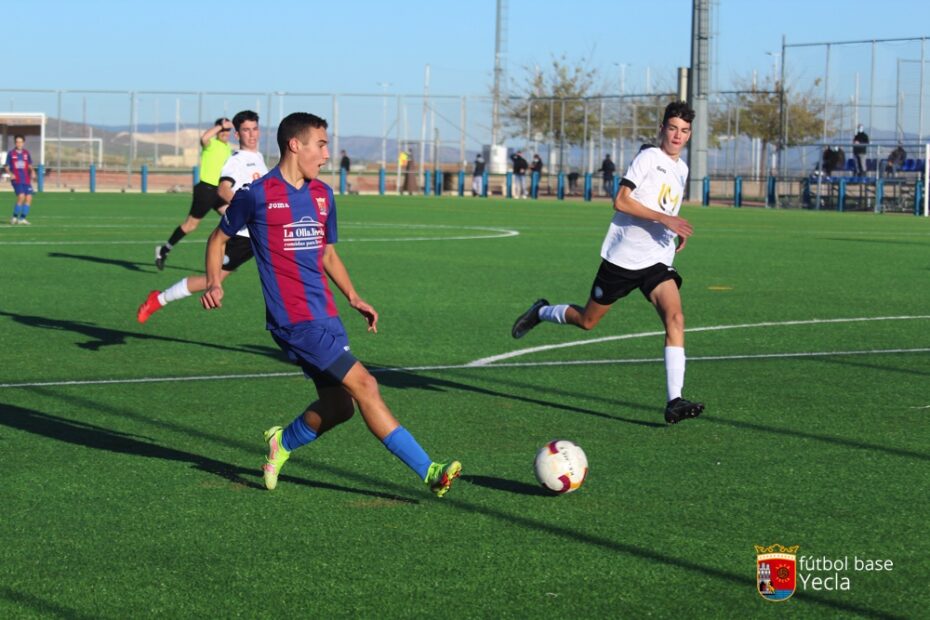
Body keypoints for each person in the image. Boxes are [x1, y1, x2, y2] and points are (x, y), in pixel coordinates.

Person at [200, 112, 461, 496]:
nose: (326, 155)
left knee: (340, 407)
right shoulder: (257, 195)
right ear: (295, 145)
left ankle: (282, 442)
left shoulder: (323, 195)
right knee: (366, 384)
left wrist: (353, 296)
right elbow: (217, 240)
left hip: (327, 316)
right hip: (293, 322)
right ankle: (430, 471)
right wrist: (213, 281)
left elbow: (328, 254)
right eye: (320, 145)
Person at [511, 101, 704, 425]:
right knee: (587, 321)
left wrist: (673, 230)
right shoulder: (648, 158)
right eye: (672, 128)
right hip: (622, 260)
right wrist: (665, 219)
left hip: (657, 259)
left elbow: (665, 206)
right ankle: (541, 311)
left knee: (676, 318)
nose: (677, 135)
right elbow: (621, 201)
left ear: (690, 134)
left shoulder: (682, 169)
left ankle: (675, 400)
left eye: (684, 131)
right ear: (662, 129)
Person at [137, 110, 266, 323]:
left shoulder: (258, 158)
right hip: (242, 235)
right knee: (211, 280)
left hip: (259, 233)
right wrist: (248, 212)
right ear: (237, 134)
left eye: (255, 129)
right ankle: (159, 299)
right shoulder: (236, 160)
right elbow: (223, 190)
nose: (251, 134)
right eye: (246, 130)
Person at [154, 117, 234, 270]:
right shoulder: (211, 144)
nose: (225, 132)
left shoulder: (228, 148)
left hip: (220, 191)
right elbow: (204, 138)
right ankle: (163, 250)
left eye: (227, 130)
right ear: (217, 130)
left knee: (233, 217)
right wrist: (220, 126)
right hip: (206, 190)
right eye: (222, 130)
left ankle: (225, 255)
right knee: (190, 226)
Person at [4, 135, 36, 225]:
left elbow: (29, 164)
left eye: (21, 142)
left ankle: (22, 218)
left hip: (26, 179)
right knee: (21, 196)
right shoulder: (11, 153)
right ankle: (14, 217)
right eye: (17, 142)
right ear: (15, 143)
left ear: (23, 143)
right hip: (16, 179)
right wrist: (10, 174)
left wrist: (33, 171)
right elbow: (6, 166)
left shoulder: (26, 153)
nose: (19, 143)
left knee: (29, 197)